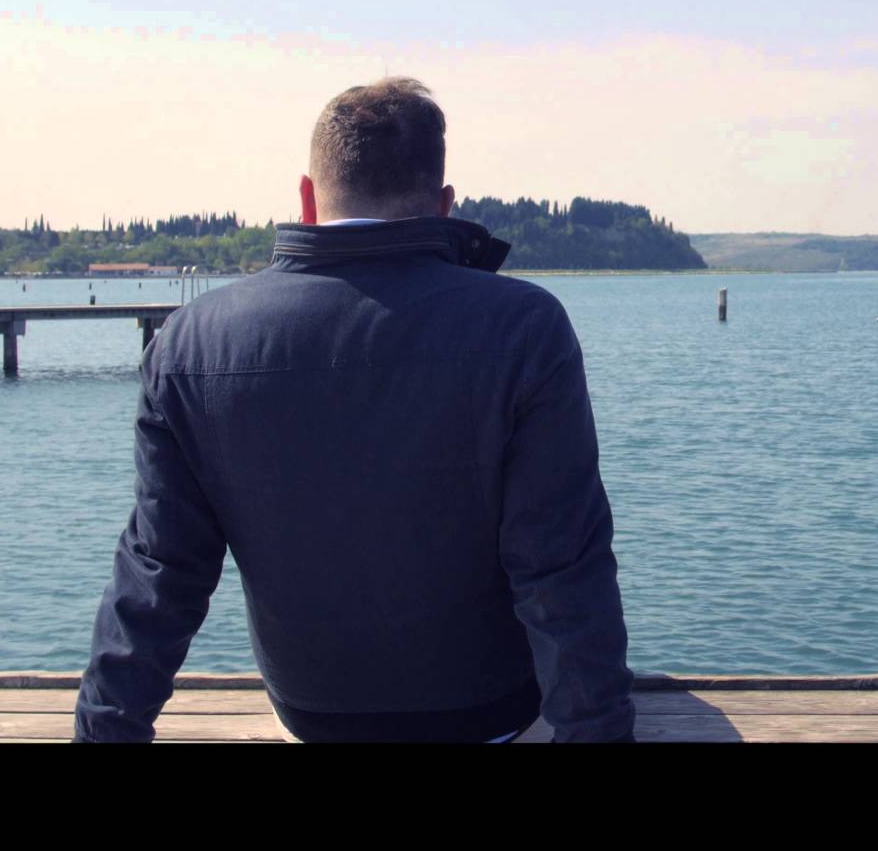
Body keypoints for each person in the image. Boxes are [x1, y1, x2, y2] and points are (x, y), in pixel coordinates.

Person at [73, 77, 636, 743]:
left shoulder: (189, 343)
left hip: (312, 716)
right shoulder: (525, 328)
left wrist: (102, 731)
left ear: (307, 198)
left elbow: (162, 572)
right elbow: (561, 567)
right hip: (492, 715)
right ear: (445, 205)